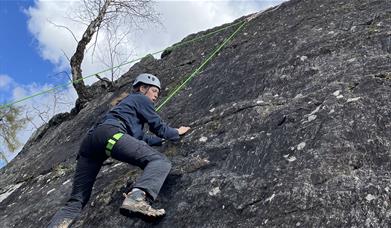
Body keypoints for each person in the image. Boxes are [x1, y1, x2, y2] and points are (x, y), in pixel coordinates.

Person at [48, 73, 190, 227]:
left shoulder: (124, 109)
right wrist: (176, 132)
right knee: (159, 161)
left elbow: (142, 138)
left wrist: (162, 140)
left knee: (77, 201)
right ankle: (136, 198)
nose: (156, 96)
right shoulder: (141, 98)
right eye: (154, 91)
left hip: (90, 145)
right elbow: (158, 127)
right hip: (110, 135)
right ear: (143, 88)